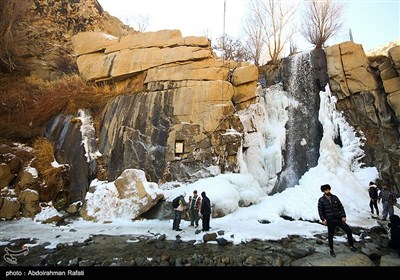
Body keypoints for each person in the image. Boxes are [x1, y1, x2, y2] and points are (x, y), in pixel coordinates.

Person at [317, 184, 356, 257]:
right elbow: (320, 210)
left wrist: (343, 216)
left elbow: (341, 207)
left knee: (348, 230)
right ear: (323, 191)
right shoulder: (321, 200)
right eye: (325, 190)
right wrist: (323, 219)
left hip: (338, 218)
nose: (327, 191)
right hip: (330, 220)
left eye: (328, 189)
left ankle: (351, 245)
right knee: (330, 235)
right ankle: (331, 250)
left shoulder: (335, 197)